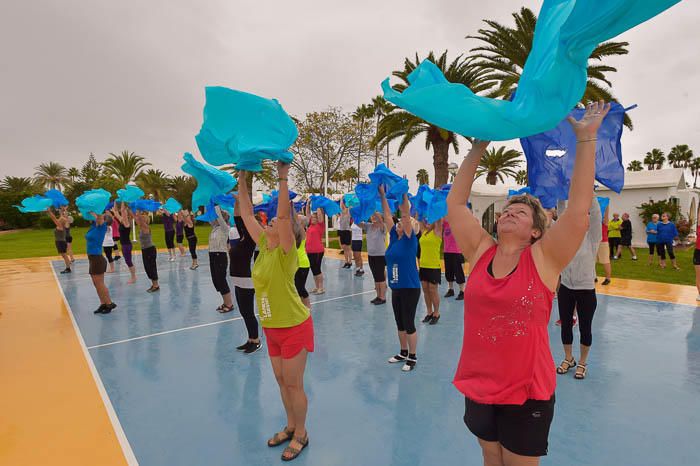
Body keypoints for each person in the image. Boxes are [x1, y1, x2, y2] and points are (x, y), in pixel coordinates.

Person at [448, 101, 610, 464]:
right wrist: (478, 147)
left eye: (519, 212)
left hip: (526, 392)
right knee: (490, 457)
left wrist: (585, 139)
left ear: (535, 231)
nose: (508, 213)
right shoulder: (481, 252)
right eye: (507, 210)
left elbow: (579, 210)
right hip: (479, 383)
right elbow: (456, 205)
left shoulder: (543, 259)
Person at [238, 163, 313, 461]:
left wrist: (283, 177)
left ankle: (302, 433)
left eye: (273, 224)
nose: (266, 222)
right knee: (282, 382)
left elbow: (283, 216)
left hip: (294, 325)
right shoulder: (265, 247)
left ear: (287, 236)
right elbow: (245, 213)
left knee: (294, 383)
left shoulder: (285, 253)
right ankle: (291, 426)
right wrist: (243, 177)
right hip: (272, 327)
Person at [556, 199, 602, 381]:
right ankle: (569, 358)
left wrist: (588, 192)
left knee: (585, 328)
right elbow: (562, 214)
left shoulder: (593, 238)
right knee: (565, 325)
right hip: (566, 287)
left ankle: (582, 362)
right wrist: (561, 193)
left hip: (586, 290)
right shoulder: (565, 237)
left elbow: (596, 213)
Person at [381, 188, 420, 372]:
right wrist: (382, 194)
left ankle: (412, 356)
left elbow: (404, 215)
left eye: (402, 224)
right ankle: (403, 352)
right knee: (399, 322)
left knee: (409, 322)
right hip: (396, 287)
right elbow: (388, 215)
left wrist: (403, 195)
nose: (397, 225)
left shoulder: (410, 240)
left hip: (410, 288)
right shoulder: (395, 239)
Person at [229, 199, 261, 353]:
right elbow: (237, 218)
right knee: (243, 312)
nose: (241, 227)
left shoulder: (249, 241)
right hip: (237, 280)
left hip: (247, 281)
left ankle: (256, 340)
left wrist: (246, 208)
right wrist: (237, 204)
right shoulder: (242, 237)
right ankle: (250, 339)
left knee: (248, 313)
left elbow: (246, 219)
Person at [86, 212, 116, 314]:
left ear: (104, 220)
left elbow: (98, 217)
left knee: (100, 284)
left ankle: (109, 303)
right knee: (96, 284)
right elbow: (96, 218)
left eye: (101, 217)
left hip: (97, 259)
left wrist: (96, 209)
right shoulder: (94, 227)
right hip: (93, 258)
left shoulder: (101, 227)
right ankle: (103, 303)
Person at [209, 206, 234, 313]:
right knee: (216, 281)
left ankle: (229, 304)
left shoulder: (225, 228)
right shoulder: (215, 228)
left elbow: (218, 216)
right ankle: (225, 302)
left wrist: (216, 206)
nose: (214, 219)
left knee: (221, 280)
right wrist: (208, 205)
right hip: (212, 255)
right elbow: (210, 217)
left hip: (220, 256)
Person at [419, 219, 443, 325]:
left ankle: (436, 313)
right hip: (423, 266)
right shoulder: (424, 231)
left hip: (434, 266)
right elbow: (419, 218)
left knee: (433, 290)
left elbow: (439, 219)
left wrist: (434, 207)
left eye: (431, 219)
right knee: (425, 289)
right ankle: (429, 312)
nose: (428, 221)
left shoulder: (437, 231)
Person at [133, 208, 160, 292]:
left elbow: (139, 219)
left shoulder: (146, 227)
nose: (140, 220)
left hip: (150, 250)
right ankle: (154, 284)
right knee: (147, 268)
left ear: (145, 221)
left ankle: (156, 285)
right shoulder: (141, 227)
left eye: (142, 219)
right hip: (145, 250)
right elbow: (136, 218)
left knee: (151, 267)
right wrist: (131, 210)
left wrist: (138, 211)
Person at [112, 203, 137, 284]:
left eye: (125, 213)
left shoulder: (126, 224)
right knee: (127, 261)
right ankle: (133, 276)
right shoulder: (122, 222)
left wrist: (122, 200)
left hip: (127, 245)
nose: (123, 214)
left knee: (128, 261)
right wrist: (116, 201)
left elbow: (122, 210)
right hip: (124, 245)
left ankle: (133, 277)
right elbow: (115, 212)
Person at [366, 212, 387, 305]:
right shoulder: (368, 226)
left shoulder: (382, 227)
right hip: (371, 255)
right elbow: (357, 222)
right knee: (375, 276)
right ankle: (378, 296)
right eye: (372, 215)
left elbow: (381, 221)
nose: (373, 217)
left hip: (380, 255)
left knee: (380, 277)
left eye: (375, 216)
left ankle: (382, 297)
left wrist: (373, 210)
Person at [304, 203, 325, 294]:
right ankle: (317, 287)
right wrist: (308, 204)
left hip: (317, 251)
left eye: (314, 217)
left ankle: (321, 287)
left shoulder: (320, 225)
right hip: (309, 251)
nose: (312, 218)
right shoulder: (310, 225)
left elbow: (320, 215)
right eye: (312, 217)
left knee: (317, 269)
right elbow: (307, 214)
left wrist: (318, 203)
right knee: (313, 270)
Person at [293, 211, 311, 308]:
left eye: (298, 219)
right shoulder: (296, 232)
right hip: (296, 264)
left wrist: (292, 209)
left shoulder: (303, 231)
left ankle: (308, 307)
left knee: (300, 287)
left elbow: (295, 221)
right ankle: (300, 307)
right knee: (296, 287)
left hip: (303, 264)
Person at [443, 220, 466, 300]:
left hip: (456, 251)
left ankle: (462, 291)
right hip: (447, 251)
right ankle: (451, 289)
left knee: (458, 272)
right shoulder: (445, 223)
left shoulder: (458, 223)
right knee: (449, 272)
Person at [47, 207, 71, 274]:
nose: (59, 218)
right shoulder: (61, 225)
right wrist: (62, 210)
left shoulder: (60, 226)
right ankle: (68, 266)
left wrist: (49, 212)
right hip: (60, 242)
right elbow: (61, 216)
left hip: (61, 242)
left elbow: (54, 218)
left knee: (64, 255)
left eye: (60, 219)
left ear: (61, 221)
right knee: (64, 255)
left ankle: (68, 268)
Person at [596, 205, 612, 285]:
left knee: (605, 260)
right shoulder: (594, 221)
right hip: (594, 242)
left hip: (603, 242)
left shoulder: (604, 222)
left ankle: (608, 278)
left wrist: (606, 207)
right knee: (592, 261)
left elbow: (606, 216)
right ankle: (593, 277)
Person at [338, 199, 353, 268]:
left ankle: (350, 261)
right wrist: (341, 198)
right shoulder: (340, 212)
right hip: (342, 231)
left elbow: (350, 205)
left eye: (343, 204)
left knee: (348, 247)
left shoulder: (348, 211)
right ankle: (346, 261)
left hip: (347, 231)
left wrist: (348, 199)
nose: (341, 205)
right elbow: (341, 205)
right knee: (344, 247)